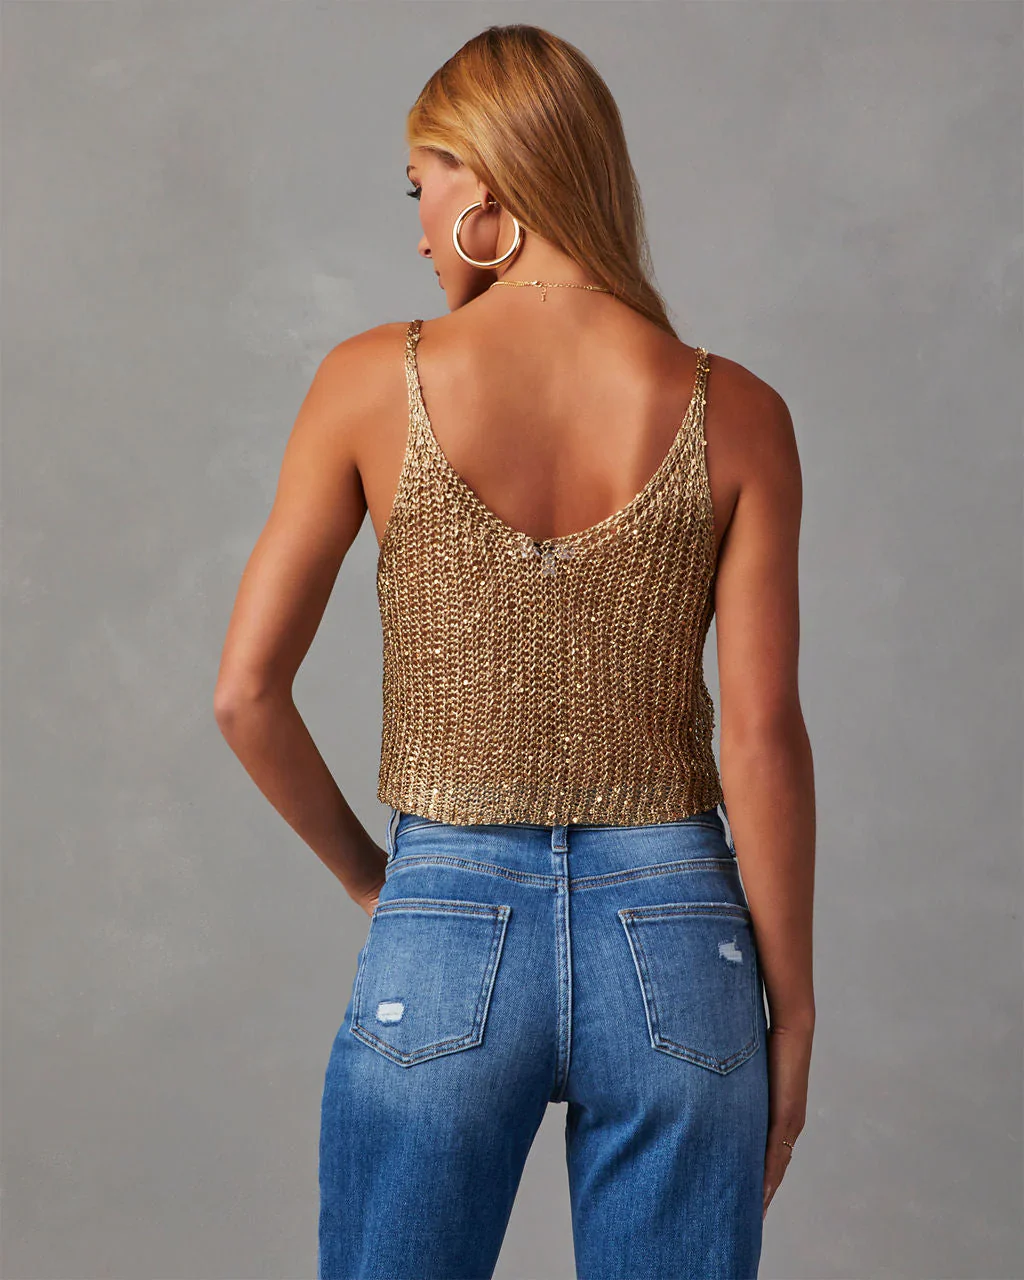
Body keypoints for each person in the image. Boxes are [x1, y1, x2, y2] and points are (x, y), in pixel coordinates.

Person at [214, 22, 815, 1280]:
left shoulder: (369, 381)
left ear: (486, 186)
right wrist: (792, 1003)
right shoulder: (740, 410)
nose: (418, 230)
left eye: (419, 188)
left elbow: (245, 694)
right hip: (680, 934)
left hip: (446, 911)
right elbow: (760, 735)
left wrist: (378, 882)